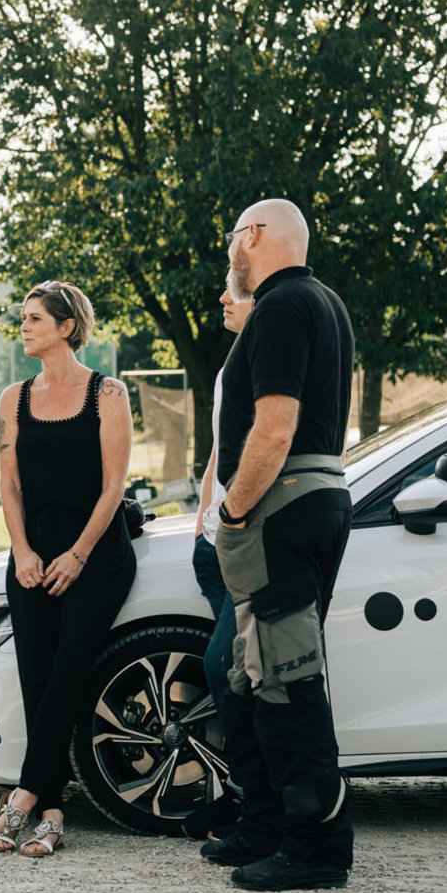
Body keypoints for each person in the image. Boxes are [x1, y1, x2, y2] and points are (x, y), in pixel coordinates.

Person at [206, 198, 357, 891]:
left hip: (281, 507)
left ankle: (315, 850)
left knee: (288, 680)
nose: (231, 248)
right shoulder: (326, 303)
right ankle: (266, 825)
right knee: (255, 673)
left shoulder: (278, 307)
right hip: (319, 498)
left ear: (257, 237)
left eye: (235, 235)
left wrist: (234, 510)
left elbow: (274, 428)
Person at [0, 282, 136, 857]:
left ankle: (22, 796)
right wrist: (22, 550)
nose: (23, 327)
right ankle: (52, 810)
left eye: (35, 318)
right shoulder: (12, 398)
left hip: (96, 556)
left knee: (69, 671)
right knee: (38, 680)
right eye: (22, 318)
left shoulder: (109, 393)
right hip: (32, 556)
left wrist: (77, 554)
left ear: (67, 327)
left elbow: (113, 487)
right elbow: (9, 483)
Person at [182, 272, 253, 841]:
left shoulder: (268, 358)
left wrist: (229, 521)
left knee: (227, 669)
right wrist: (207, 524)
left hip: (243, 539)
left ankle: (251, 798)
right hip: (214, 544)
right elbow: (220, 451)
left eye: (236, 290)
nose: (222, 297)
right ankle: (244, 795)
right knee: (237, 672)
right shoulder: (235, 361)